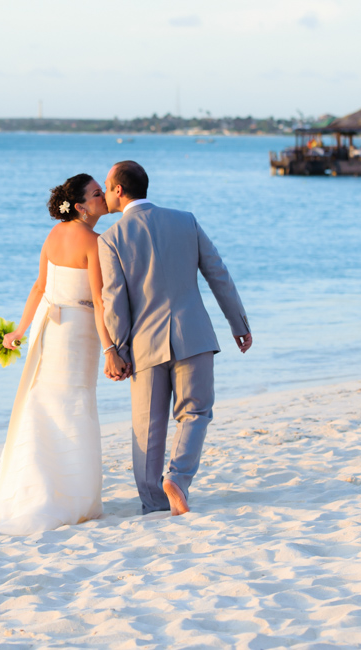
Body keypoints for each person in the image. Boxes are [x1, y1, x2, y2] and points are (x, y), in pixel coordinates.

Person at [0, 174, 128, 535]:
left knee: (45, 402)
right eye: (97, 194)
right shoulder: (95, 242)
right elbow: (100, 301)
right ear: (81, 206)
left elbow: (40, 287)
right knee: (73, 404)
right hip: (78, 332)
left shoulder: (54, 236)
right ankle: (68, 493)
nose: (103, 197)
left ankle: (40, 486)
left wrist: (21, 332)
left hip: (48, 330)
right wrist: (110, 348)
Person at [98, 161, 252, 517]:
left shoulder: (112, 239)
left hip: (145, 343)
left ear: (119, 190)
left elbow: (114, 302)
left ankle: (153, 504)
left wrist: (117, 350)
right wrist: (238, 322)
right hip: (194, 334)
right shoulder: (186, 220)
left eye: (107, 187)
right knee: (195, 413)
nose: (106, 194)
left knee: (147, 428)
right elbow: (218, 274)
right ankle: (178, 479)